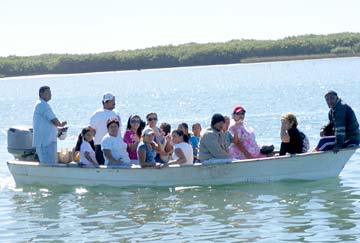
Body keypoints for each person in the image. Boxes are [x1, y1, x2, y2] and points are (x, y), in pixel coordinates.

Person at [33, 86, 67, 164]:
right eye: (48, 93)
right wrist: (61, 125)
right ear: (41, 94)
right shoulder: (42, 105)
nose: (50, 94)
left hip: (47, 142)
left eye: (50, 92)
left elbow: (47, 123)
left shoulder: (41, 104)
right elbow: (54, 120)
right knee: (49, 166)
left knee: (51, 166)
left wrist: (58, 129)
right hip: (45, 144)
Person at [89, 92, 121, 165]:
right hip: (101, 146)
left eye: (114, 101)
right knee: (102, 166)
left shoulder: (116, 113)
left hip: (116, 146)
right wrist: (99, 138)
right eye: (112, 101)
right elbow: (91, 129)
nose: (114, 103)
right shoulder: (97, 114)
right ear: (106, 102)